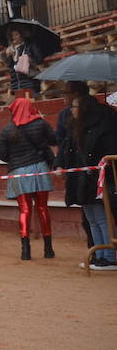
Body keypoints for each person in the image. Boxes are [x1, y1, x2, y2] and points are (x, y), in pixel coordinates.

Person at [59, 94, 117, 271]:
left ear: (83, 109)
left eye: (75, 107)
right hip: (81, 179)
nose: (71, 111)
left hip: (97, 178)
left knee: (101, 218)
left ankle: (109, 257)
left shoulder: (103, 127)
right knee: (92, 219)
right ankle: (99, 254)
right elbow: (66, 151)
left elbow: (108, 150)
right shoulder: (75, 129)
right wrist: (60, 164)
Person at [0, 97, 56, 261]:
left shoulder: (7, 130)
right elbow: (54, 140)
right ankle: (48, 249)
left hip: (18, 171)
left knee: (25, 210)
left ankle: (25, 251)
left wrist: (15, 159)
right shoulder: (40, 123)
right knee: (42, 208)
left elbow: (1, 154)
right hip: (39, 169)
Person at [2, 27, 41, 95]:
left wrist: (30, 59)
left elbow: (39, 60)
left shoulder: (29, 46)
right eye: (12, 36)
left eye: (16, 34)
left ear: (22, 35)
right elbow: (10, 67)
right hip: (16, 86)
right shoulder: (10, 50)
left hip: (30, 84)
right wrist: (7, 56)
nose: (14, 37)